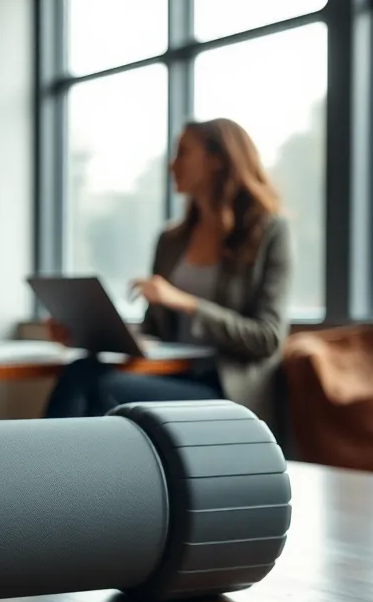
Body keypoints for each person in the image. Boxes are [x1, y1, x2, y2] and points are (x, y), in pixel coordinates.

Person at [42, 118, 293, 430]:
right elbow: (153, 332)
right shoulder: (172, 241)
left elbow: (267, 338)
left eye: (183, 153)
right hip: (173, 375)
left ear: (216, 161)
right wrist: (85, 333)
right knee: (80, 370)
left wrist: (187, 303)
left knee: (102, 390)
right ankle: (47, 461)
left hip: (226, 390)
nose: (171, 165)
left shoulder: (269, 233)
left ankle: (45, 461)